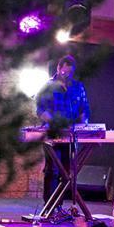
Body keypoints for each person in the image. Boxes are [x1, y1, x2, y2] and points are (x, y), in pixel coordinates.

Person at [35, 55, 91, 202]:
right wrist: (52, 121)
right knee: (52, 170)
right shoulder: (47, 87)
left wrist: (84, 121)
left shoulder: (78, 87)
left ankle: (59, 206)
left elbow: (85, 109)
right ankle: (49, 206)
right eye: (64, 72)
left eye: (70, 73)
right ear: (59, 68)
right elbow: (40, 110)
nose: (66, 76)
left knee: (67, 172)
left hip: (71, 135)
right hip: (53, 134)